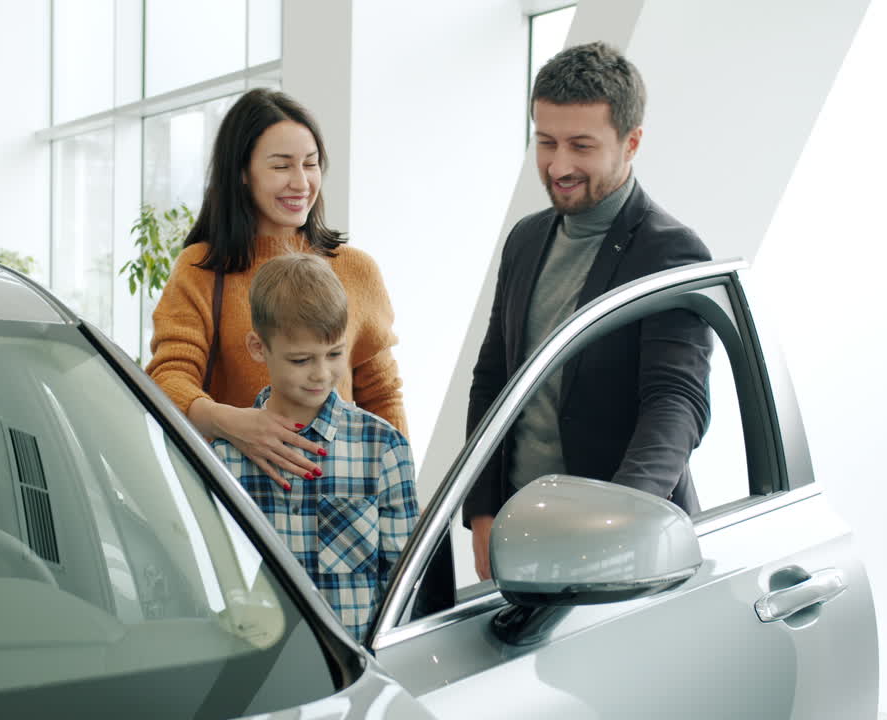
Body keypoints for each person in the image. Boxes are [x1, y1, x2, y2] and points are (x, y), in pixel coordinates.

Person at [462, 42, 713, 581]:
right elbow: (492, 379)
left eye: (581, 146)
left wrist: (617, 524)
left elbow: (676, 403)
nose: (559, 166)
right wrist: (481, 511)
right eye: (546, 142)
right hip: (521, 536)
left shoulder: (671, 251)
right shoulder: (526, 239)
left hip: (624, 548)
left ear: (631, 142)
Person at [146, 89, 406, 490]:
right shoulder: (201, 269)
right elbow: (168, 377)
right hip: (237, 499)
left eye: (311, 164)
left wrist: (403, 489)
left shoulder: (356, 269)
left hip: (341, 501)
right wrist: (232, 423)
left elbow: (383, 396)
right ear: (242, 172)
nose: (301, 182)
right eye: (282, 166)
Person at [211, 253, 418, 641]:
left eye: (335, 354)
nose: (321, 374)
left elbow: (405, 586)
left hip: (356, 663)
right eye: (301, 360)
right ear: (258, 347)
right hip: (263, 663)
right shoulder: (224, 459)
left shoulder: (383, 449)